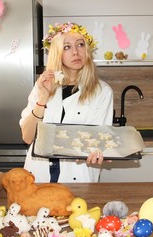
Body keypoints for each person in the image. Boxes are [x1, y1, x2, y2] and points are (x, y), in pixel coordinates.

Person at [19, 22, 114, 183]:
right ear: (57, 53)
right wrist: (43, 98)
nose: (76, 52)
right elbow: (27, 137)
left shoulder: (102, 92)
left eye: (80, 45)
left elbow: (98, 140)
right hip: (38, 172)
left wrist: (99, 151)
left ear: (87, 50)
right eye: (67, 47)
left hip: (78, 174)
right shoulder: (42, 85)